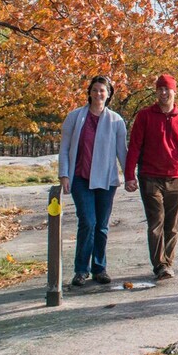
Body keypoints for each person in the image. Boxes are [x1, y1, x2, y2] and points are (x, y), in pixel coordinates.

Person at [125, 73, 178, 280]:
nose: (164, 92)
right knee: (156, 222)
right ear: (156, 92)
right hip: (150, 177)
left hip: (175, 178)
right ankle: (160, 265)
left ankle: (168, 262)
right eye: (160, 89)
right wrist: (129, 174)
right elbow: (134, 147)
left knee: (172, 225)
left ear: (175, 92)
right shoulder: (145, 116)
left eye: (168, 89)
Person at [58, 75, 127, 287]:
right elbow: (65, 148)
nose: (98, 94)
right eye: (95, 90)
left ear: (109, 95)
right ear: (89, 92)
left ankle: (99, 268)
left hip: (106, 181)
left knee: (102, 226)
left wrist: (130, 176)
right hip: (81, 178)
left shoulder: (116, 120)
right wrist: (64, 175)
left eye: (103, 91)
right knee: (88, 222)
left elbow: (121, 152)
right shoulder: (75, 117)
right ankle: (81, 270)